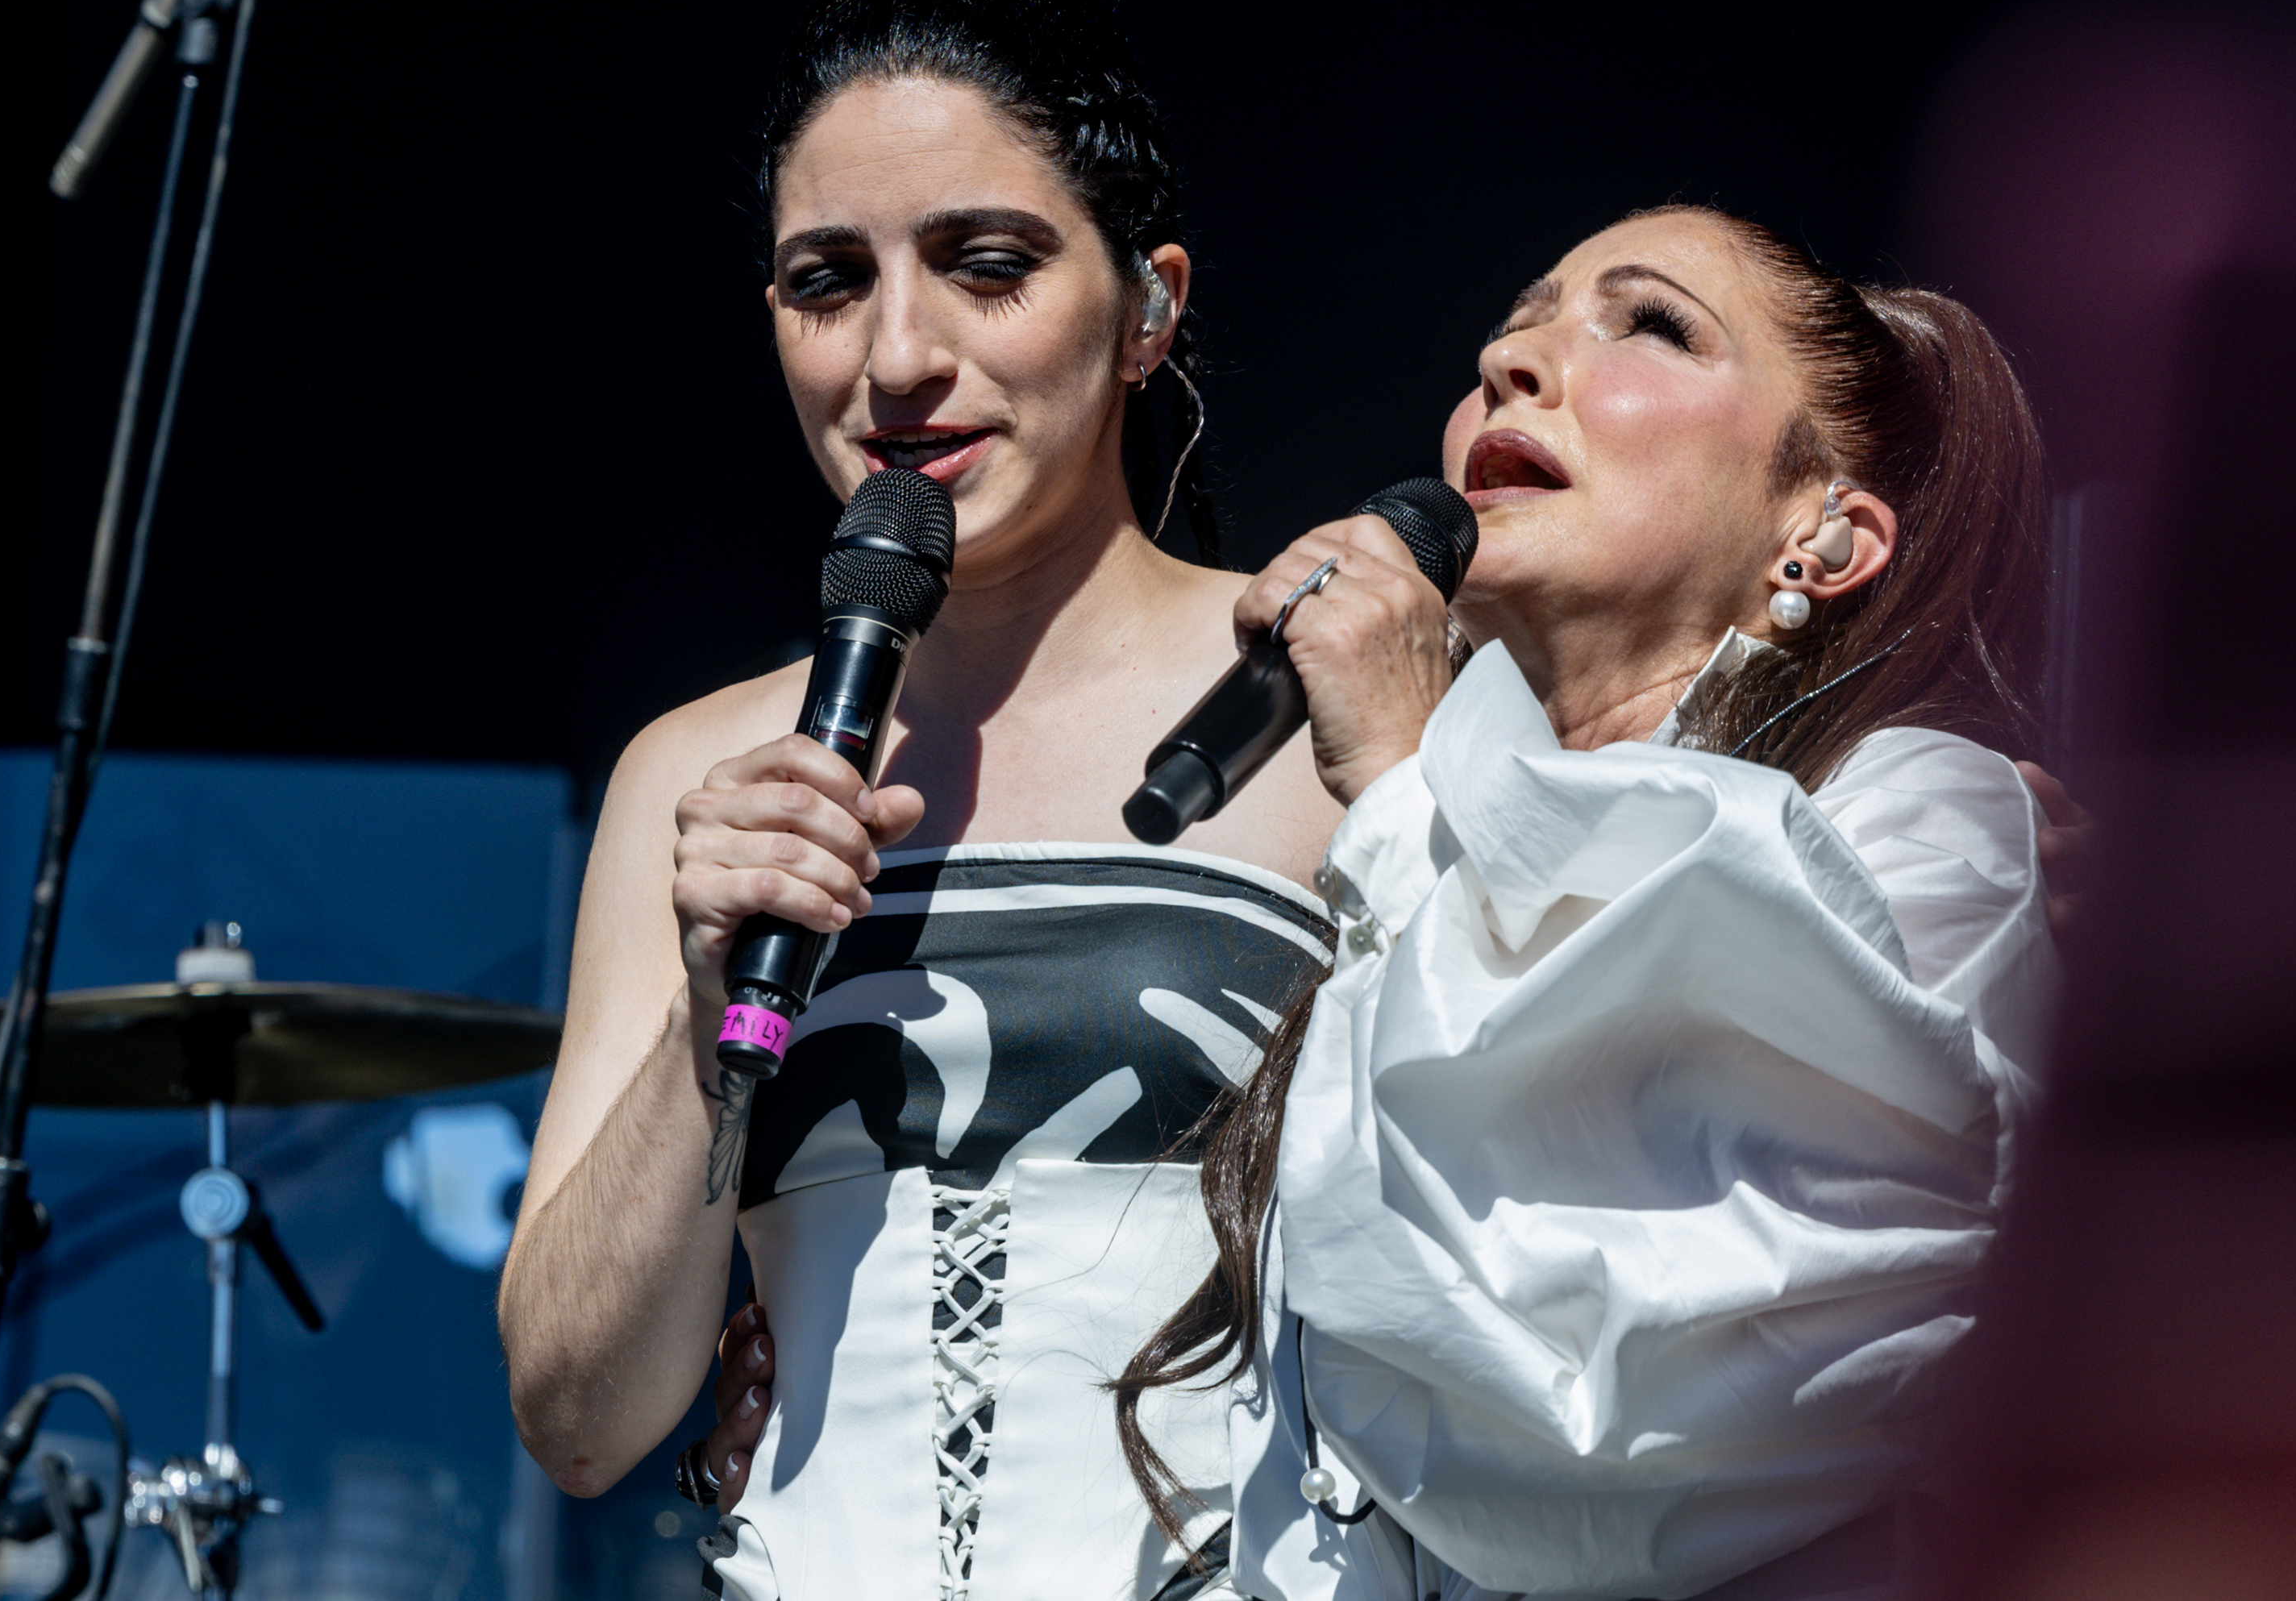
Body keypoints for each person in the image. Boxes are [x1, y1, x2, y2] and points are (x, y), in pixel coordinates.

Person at [712, 204, 2068, 1599]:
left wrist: (1410, 788)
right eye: (1519, 319)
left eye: (1649, 324)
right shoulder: (1413, 839)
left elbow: (1622, 1407)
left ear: (1827, 534)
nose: (1512, 357)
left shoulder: (1924, 823)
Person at [497, 0, 1371, 1601]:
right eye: (827, 280)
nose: (897, 355)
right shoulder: (694, 769)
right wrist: (708, 1010)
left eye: (984, 264)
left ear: (1150, 305)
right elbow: (578, 1417)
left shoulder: (1334, 708)